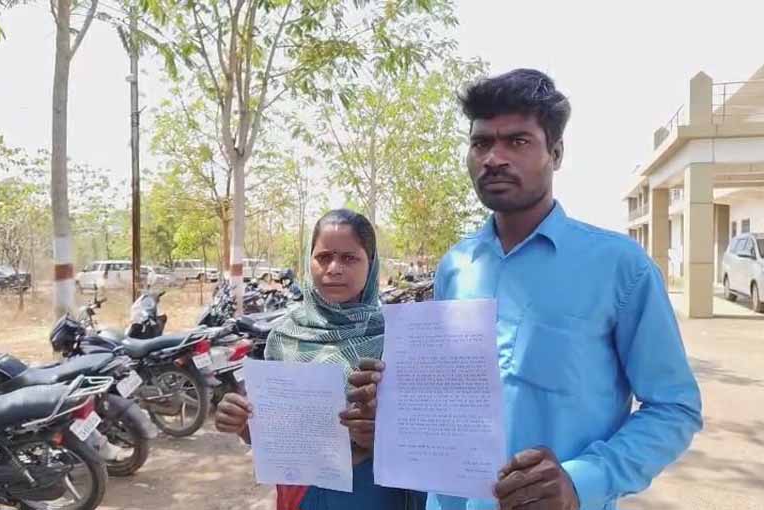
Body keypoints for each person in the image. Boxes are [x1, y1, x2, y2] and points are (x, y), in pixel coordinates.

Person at [345, 69, 703, 510]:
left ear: (556, 153)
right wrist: (390, 407)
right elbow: (449, 401)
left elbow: (674, 408)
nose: (494, 158)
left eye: (517, 141)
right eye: (481, 143)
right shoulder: (456, 266)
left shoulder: (621, 269)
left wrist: (582, 481)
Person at [214, 209, 424, 510]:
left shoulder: (397, 339)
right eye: (324, 257)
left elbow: (424, 439)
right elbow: (271, 434)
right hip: (302, 494)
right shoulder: (283, 338)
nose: (334, 268)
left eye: (349, 258)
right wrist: (241, 422)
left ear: (371, 264)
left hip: (371, 493)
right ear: (309, 261)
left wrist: (377, 436)